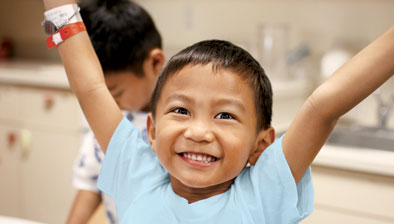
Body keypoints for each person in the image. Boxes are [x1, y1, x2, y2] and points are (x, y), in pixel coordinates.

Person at [42, 0, 394, 222]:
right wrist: (57, 9)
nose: (199, 131)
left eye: (225, 115)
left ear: (261, 144)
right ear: (151, 130)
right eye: (181, 110)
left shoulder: (263, 194)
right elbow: (89, 86)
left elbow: (323, 107)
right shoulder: (138, 175)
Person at [64, 0, 165, 223]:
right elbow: (90, 183)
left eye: (115, 93)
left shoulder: (178, 123)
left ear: (156, 62)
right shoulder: (107, 123)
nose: (106, 106)